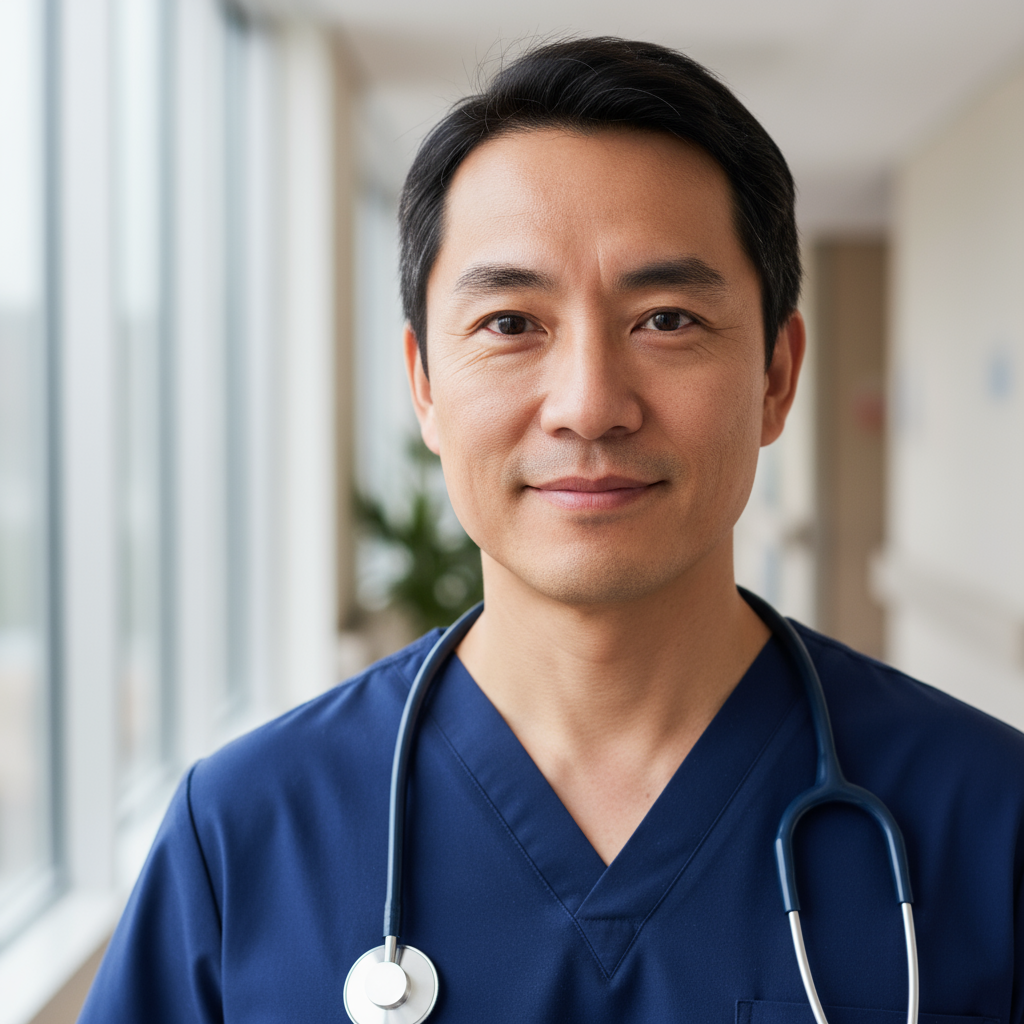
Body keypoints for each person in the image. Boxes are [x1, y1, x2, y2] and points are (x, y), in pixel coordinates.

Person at [81, 37, 1023, 1024]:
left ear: (776, 376)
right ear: (424, 385)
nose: (587, 404)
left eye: (665, 319)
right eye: (510, 323)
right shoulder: (246, 836)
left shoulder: (985, 819)